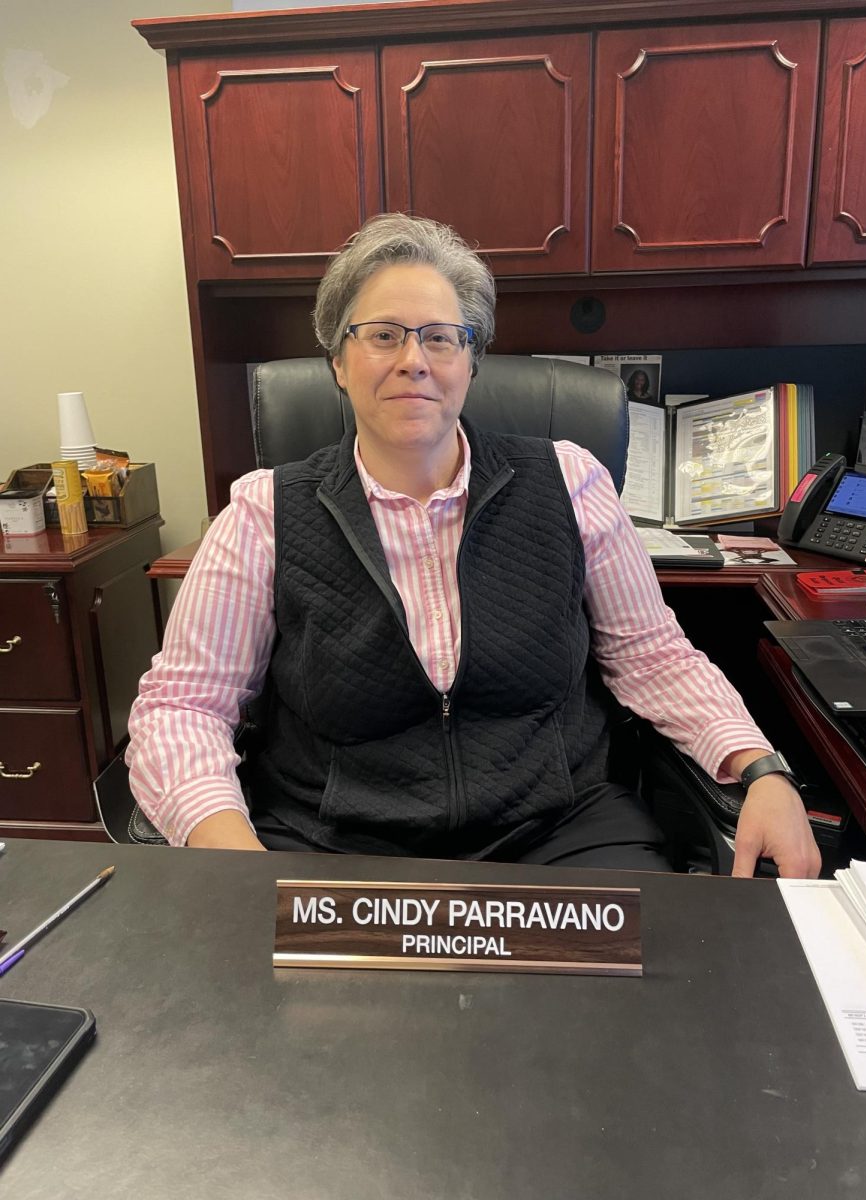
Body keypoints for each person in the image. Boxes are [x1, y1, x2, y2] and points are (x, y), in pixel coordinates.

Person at [127, 213, 820, 879]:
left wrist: (760, 769)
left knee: (633, 993)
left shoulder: (571, 484)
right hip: (332, 842)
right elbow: (183, 705)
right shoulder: (262, 512)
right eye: (383, 335)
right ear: (338, 360)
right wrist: (227, 850)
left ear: (471, 360)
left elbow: (652, 655)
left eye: (440, 337)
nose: (413, 361)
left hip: (559, 833)